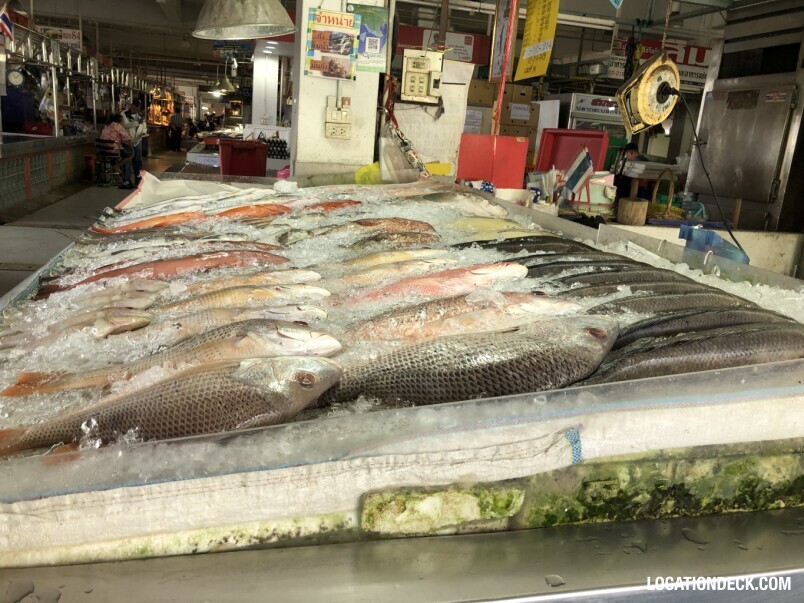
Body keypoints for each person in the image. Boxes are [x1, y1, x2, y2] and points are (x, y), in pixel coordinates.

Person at [100, 114, 135, 188]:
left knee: (116, 157)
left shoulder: (107, 125)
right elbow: (128, 139)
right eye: (122, 121)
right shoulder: (118, 126)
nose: (123, 122)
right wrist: (132, 149)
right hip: (114, 150)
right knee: (130, 154)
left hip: (103, 150)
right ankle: (117, 166)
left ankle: (118, 179)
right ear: (119, 121)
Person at [122, 101, 148, 185]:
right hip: (127, 141)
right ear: (131, 106)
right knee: (127, 160)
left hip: (137, 141)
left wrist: (144, 131)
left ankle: (138, 179)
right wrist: (137, 123)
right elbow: (125, 125)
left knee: (138, 161)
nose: (135, 109)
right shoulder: (124, 114)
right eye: (134, 107)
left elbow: (144, 127)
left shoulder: (140, 116)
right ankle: (126, 179)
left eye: (137, 107)